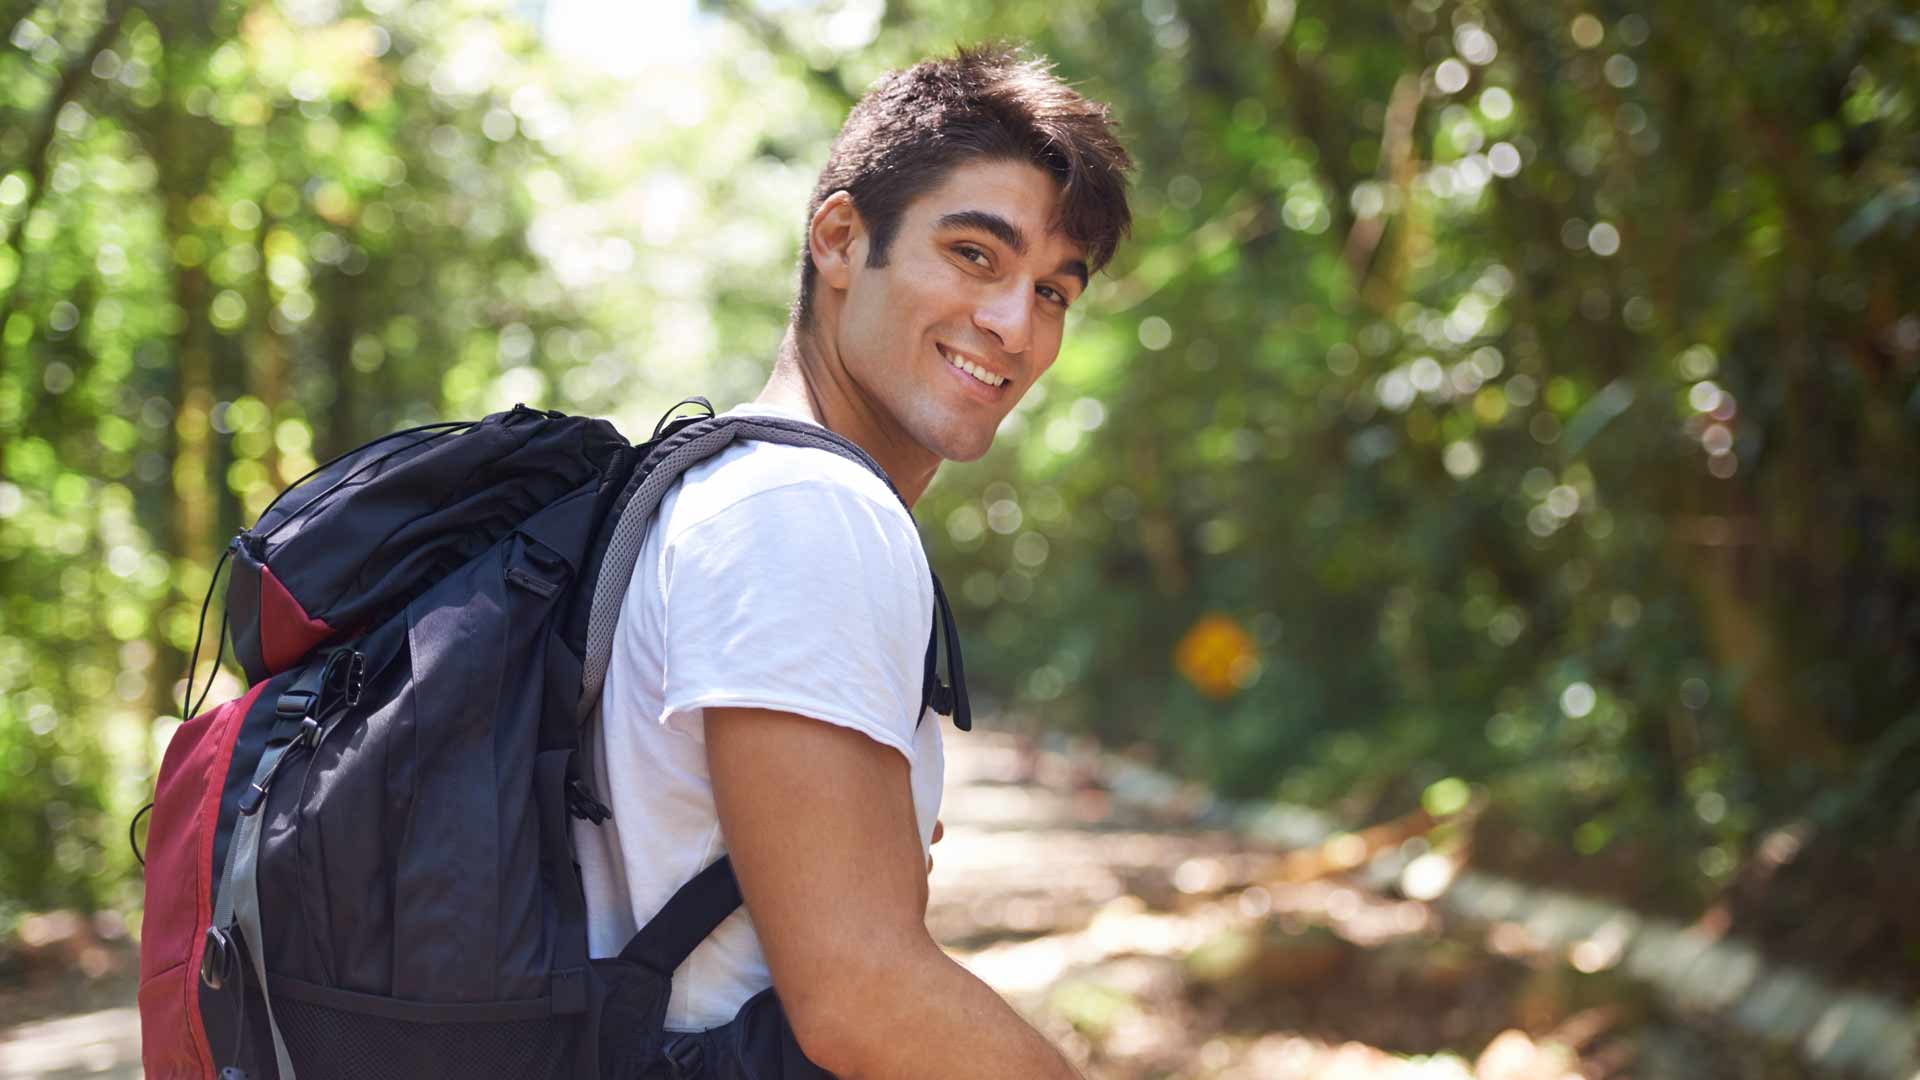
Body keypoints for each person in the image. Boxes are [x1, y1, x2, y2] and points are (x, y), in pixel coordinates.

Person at [574, 45, 1132, 1078]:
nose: (1014, 323)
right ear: (839, 239)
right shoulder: (801, 510)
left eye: (1055, 290)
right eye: (975, 255)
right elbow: (859, 993)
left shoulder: (718, 477)